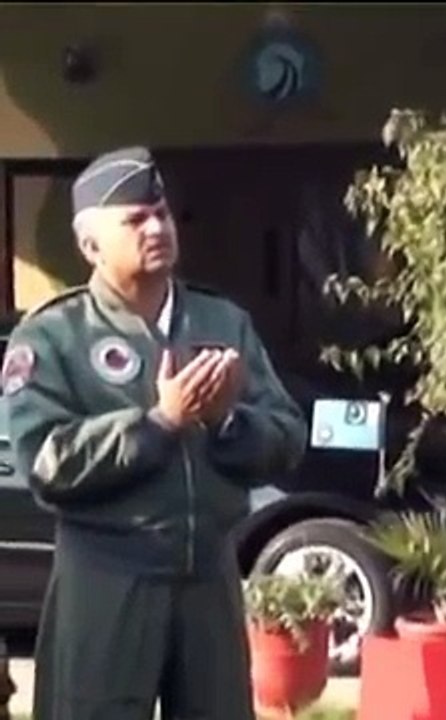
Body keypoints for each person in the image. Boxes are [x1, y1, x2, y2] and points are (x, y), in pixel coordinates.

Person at [1, 146, 308, 720]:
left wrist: (228, 421)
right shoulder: (54, 337)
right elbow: (45, 461)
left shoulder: (222, 322)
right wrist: (159, 423)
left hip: (209, 575)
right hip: (107, 578)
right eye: (135, 219)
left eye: (161, 213)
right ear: (90, 246)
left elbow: (288, 437)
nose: (156, 227)